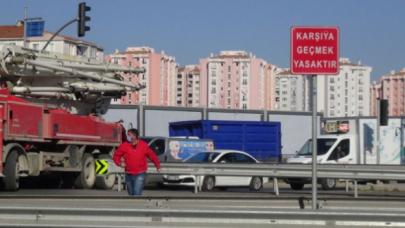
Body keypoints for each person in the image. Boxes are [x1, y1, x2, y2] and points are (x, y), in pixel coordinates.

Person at [113, 128, 160, 196]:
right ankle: (133, 206)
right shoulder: (124, 145)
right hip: (128, 174)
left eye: (129, 135)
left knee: (136, 193)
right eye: (127, 135)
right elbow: (116, 156)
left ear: (135, 136)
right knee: (131, 194)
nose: (127, 136)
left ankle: (137, 205)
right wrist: (119, 163)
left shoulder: (143, 145)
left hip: (140, 173)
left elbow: (152, 156)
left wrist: (157, 166)